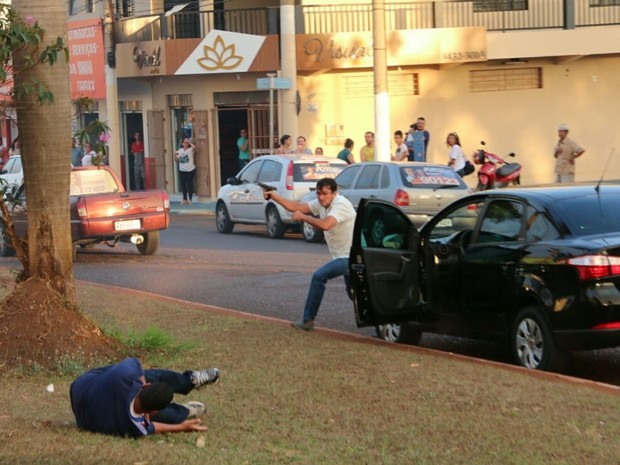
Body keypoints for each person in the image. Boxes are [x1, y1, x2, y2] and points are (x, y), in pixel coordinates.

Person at [263, 178, 356, 331]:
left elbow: (326, 225)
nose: (321, 197)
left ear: (334, 193)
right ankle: (383, 321)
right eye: (319, 193)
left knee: (319, 276)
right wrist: (274, 196)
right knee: (355, 294)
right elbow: (297, 207)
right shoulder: (321, 204)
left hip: (349, 256)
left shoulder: (341, 204)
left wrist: (304, 217)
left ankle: (307, 321)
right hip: (342, 256)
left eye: (325, 194)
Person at [70, 357, 220, 438]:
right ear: (154, 411)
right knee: (153, 378)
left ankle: (190, 381)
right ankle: (186, 408)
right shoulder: (135, 427)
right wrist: (181, 426)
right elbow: (152, 427)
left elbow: (134, 361)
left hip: (79, 388)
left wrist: (143, 384)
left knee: (148, 377)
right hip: (85, 394)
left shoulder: (125, 375)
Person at [175, 138, 196, 205]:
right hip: (182, 170)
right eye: (184, 143)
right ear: (182, 144)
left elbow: (194, 147)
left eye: (186, 143)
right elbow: (176, 160)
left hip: (190, 169)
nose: (185, 144)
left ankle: (190, 199)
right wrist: (174, 154)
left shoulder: (190, 150)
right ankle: (184, 199)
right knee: (183, 184)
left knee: (189, 184)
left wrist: (189, 141)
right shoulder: (180, 150)